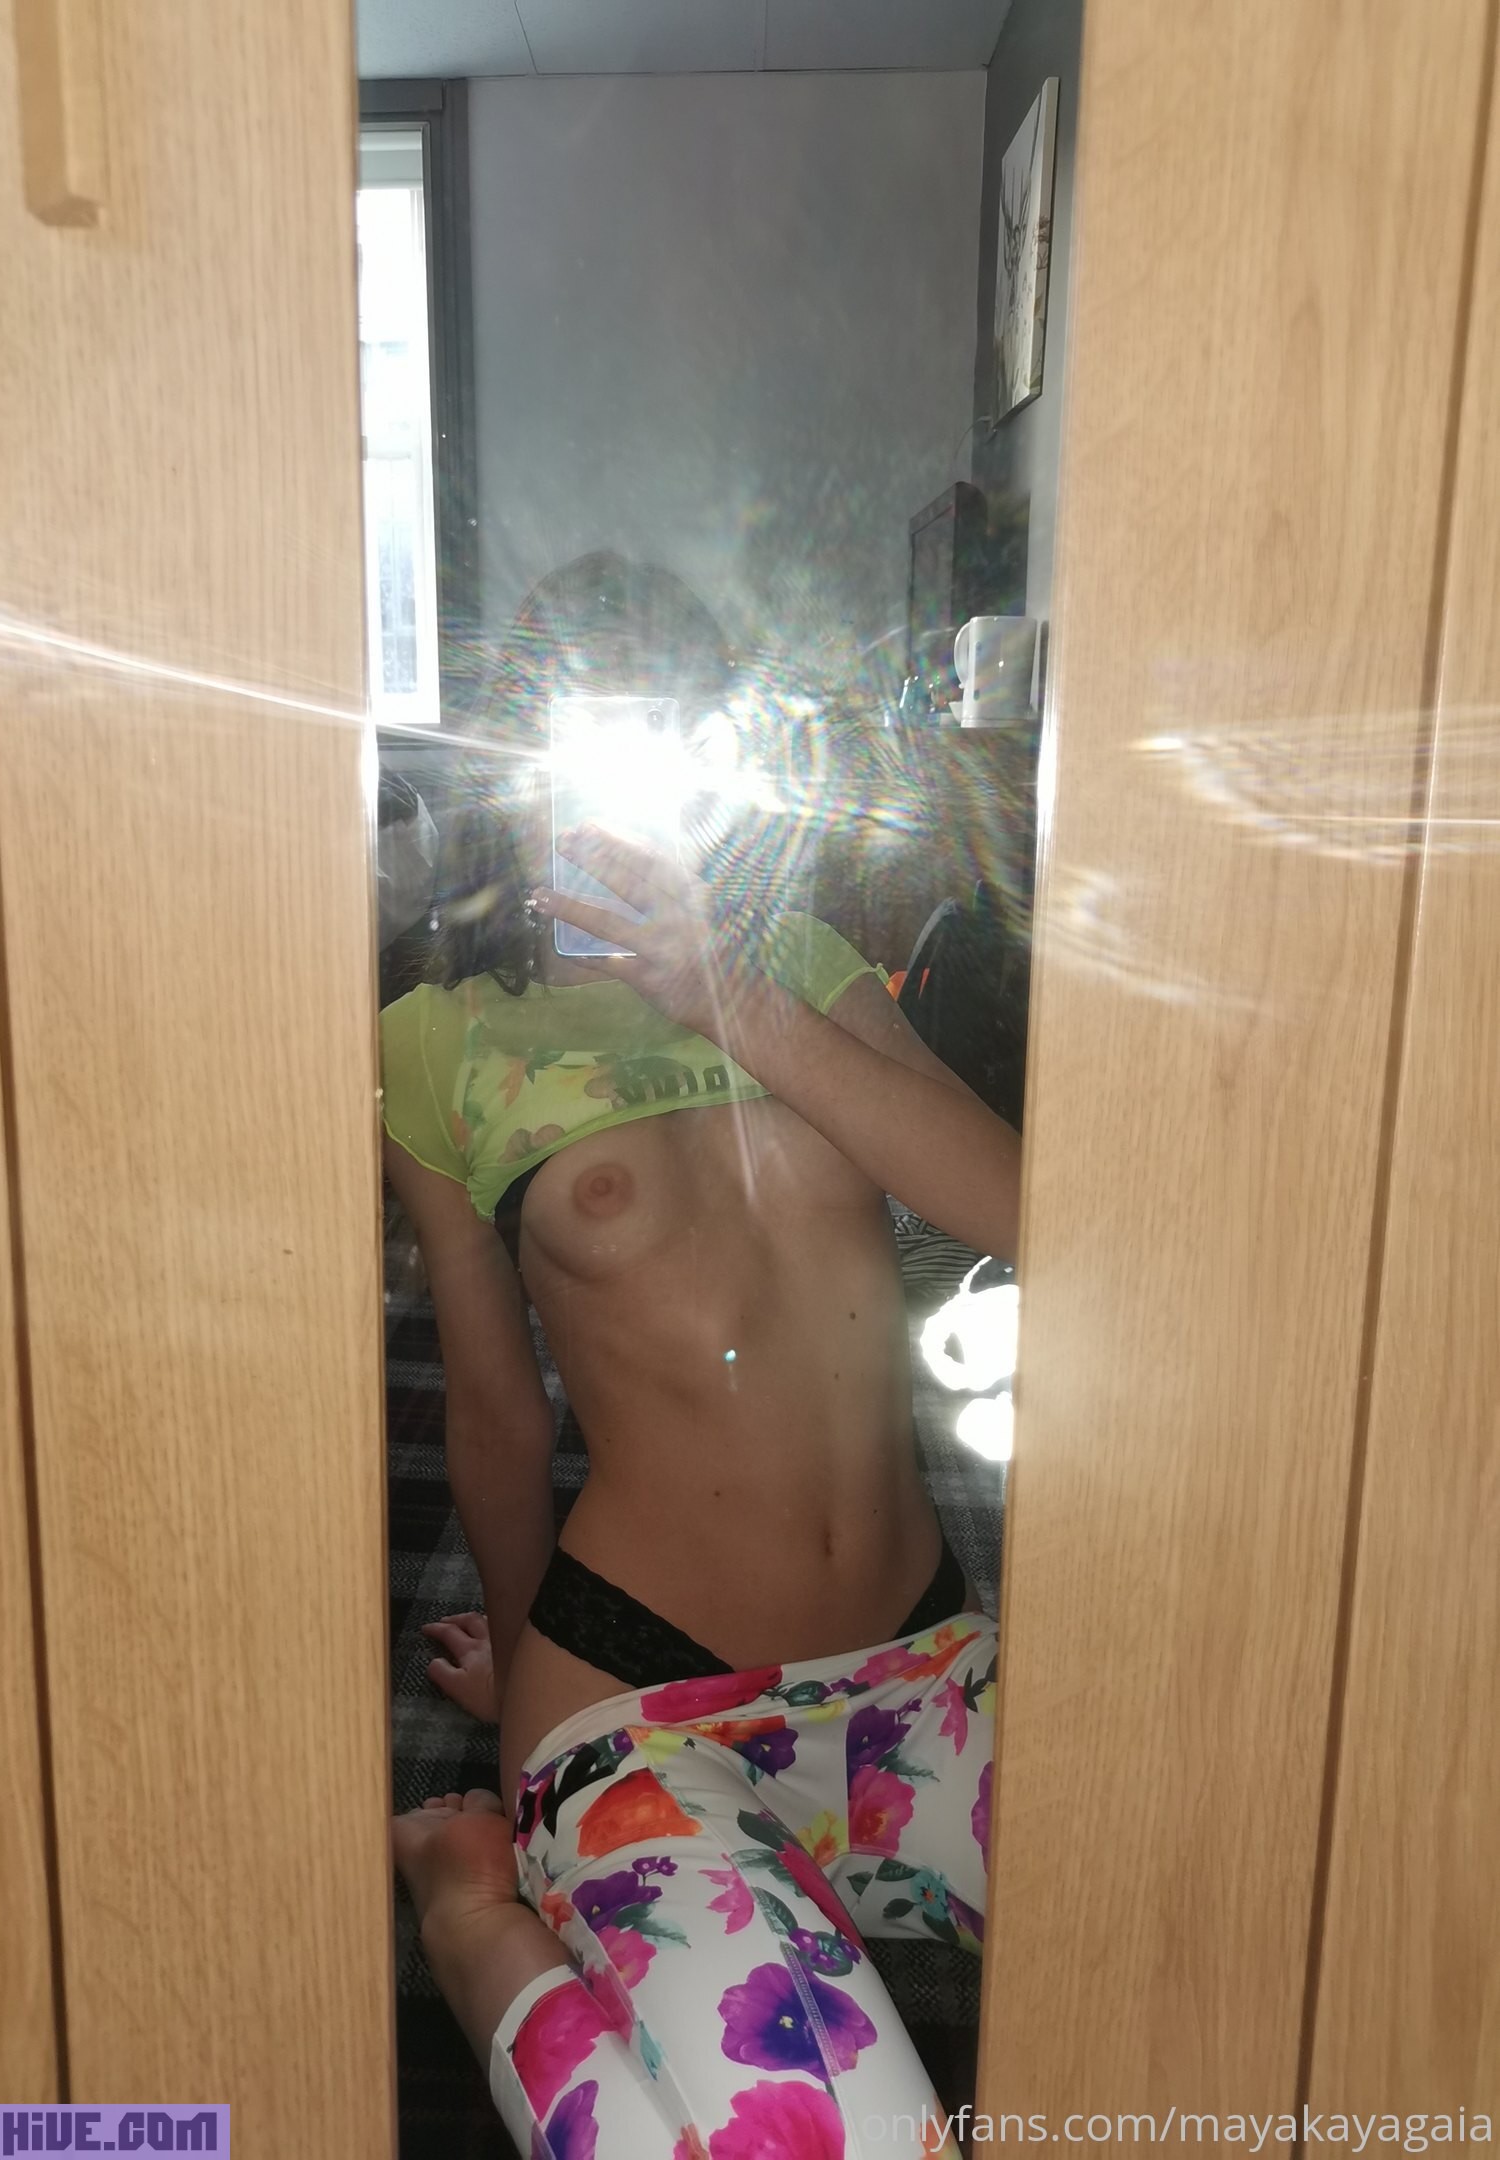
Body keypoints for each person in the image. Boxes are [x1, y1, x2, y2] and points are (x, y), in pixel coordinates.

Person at [382, 560, 1021, 2158]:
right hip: (643, 1696)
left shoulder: (800, 959)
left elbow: (1027, 1211)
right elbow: (497, 1417)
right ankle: (473, 1919)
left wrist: (726, 988)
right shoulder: (440, 1039)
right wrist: (520, 1683)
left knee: (1251, 1921)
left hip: (932, 1663)